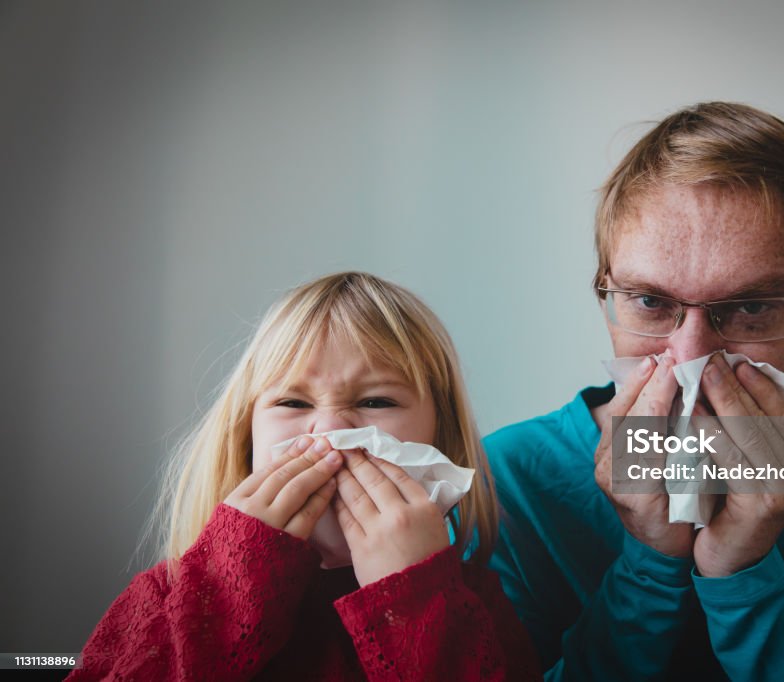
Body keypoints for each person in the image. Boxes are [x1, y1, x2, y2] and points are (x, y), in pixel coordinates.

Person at [485, 102, 784, 680]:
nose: (692, 357)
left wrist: (744, 579)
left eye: (750, 307)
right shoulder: (504, 481)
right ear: (606, 292)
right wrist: (647, 568)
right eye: (650, 301)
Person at [70, 272, 540, 681]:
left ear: (441, 440)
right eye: (294, 403)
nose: (332, 431)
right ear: (244, 441)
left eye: (376, 401)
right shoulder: (171, 596)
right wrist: (231, 581)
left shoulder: (471, 604)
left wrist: (415, 597)